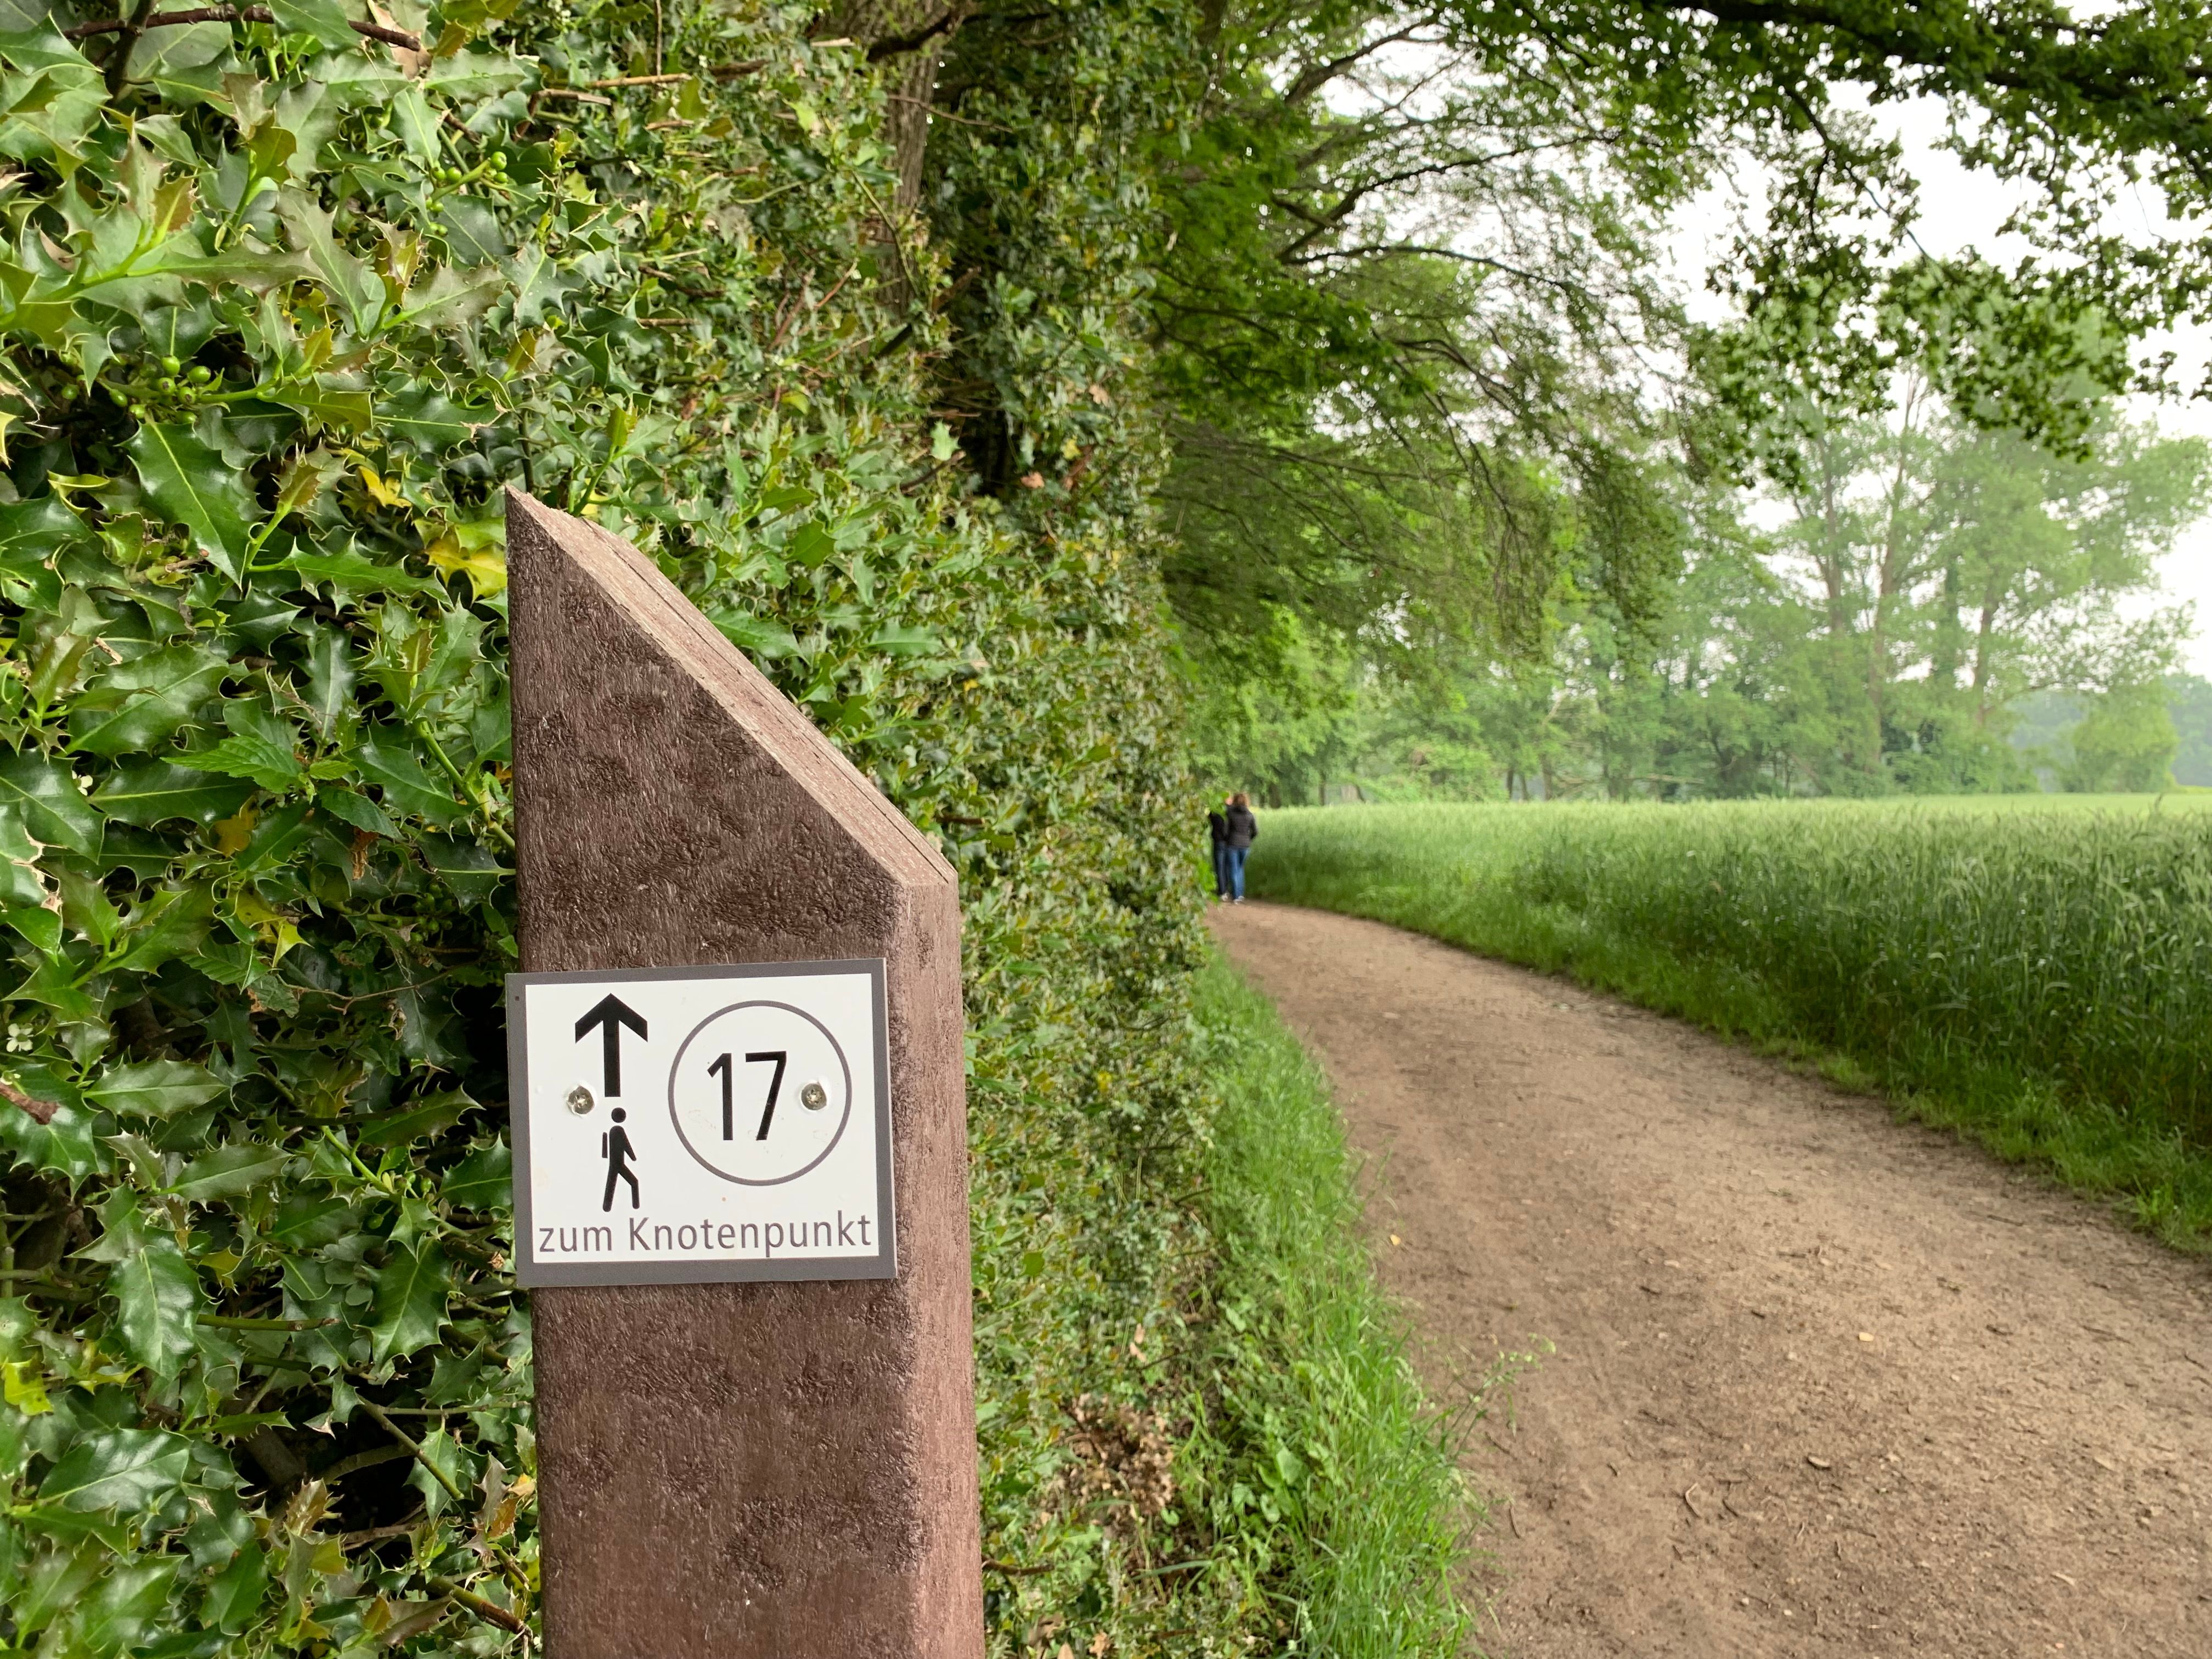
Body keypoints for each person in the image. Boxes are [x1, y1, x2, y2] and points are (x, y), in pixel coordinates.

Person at [1221, 793, 1257, 903]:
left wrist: (1227, 839)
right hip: (1245, 846)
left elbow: (1225, 830)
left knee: (1234, 869)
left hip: (1233, 844)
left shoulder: (1230, 814)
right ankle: (1240, 894)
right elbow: (1255, 831)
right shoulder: (1250, 815)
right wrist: (1249, 839)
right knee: (1240, 869)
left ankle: (1236, 895)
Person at [1207, 799, 1231, 901]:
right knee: (1227, 867)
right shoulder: (1231, 811)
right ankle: (1226, 889)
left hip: (1218, 841)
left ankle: (1222, 890)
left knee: (1220, 867)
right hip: (1229, 842)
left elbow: (1209, 819)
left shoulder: (1215, 811)